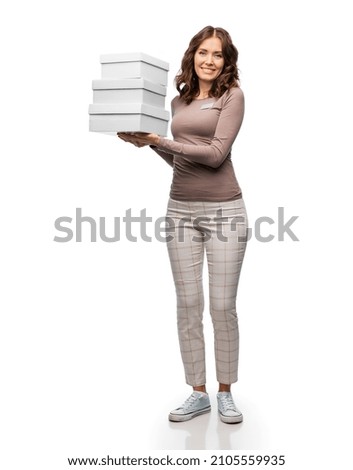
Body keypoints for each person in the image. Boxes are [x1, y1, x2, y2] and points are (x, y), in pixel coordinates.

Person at [118, 25, 248, 424]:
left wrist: (159, 140)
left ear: (227, 61)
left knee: (222, 306)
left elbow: (213, 155)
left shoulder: (233, 96)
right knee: (188, 304)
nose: (209, 60)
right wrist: (147, 145)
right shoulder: (179, 103)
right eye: (203, 52)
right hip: (180, 211)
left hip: (226, 211)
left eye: (218, 54)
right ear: (192, 55)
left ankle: (225, 392)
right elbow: (182, 160)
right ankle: (198, 392)